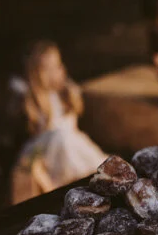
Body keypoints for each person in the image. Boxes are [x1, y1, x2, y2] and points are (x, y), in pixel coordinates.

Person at [10, 40, 107, 202]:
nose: (52, 72)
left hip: (73, 147)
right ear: (36, 72)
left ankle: (88, 184)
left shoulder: (66, 95)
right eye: (46, 69)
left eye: (56, 66)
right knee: (61, 137)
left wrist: (70, 91)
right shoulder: (33, 98)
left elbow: (75, 117)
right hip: (45, 150)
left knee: (69, 140)